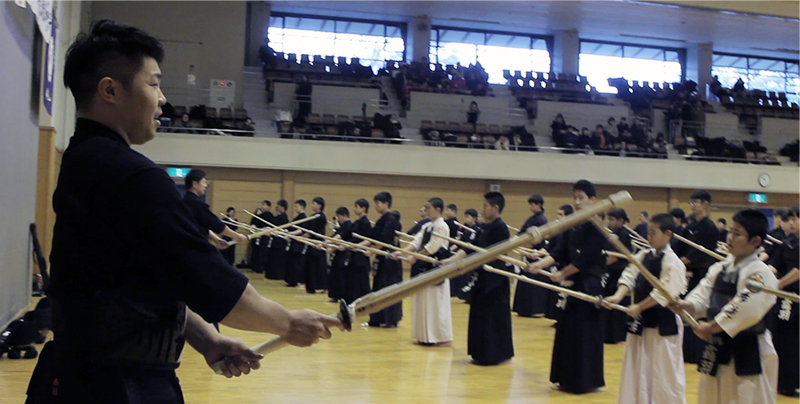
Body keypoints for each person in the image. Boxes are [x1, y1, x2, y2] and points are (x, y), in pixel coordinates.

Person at [25, 20, 342, 403]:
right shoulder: (131, 175)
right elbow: (207, 279)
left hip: (85, 374)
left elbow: (137, 281)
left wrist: (205, 338)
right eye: (154, 83)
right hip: (116, 386)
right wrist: (288, 322)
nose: (162, 100)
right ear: (110, 89)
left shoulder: (84, 161)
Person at [671, 209, 778, 404]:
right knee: (711, 395)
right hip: (718, 344)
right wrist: (687, 305)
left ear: (755, 242)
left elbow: (746, 308)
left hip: (747, 347)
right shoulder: (721, 267)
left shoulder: (760, 273)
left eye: (737, 234)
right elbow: (704, 293)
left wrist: (712, 327)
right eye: (730, 231)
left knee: (743, 397)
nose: (729, 237)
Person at [529, 180, 606, 393]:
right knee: (567, 331)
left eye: (581, 198)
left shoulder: (598, 228)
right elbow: (559, 252)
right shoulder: (572, 224)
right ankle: (565, 378)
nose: (577, 202)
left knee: (583, 333)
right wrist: (540, 265)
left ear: (593, 200)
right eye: (575, 198)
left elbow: (586, 259)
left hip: (588, 285)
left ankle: (584, 381)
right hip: (570, 286)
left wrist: (563, 274)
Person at [603, 213, 688, 404]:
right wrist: (617, 296)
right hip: (640, 322)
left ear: (668, 234)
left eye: (653, 233)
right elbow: (629, 275)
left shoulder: (674, 262)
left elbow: (664, 293)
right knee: (637, 369)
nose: (648, 237)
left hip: (662, 326)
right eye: (648, 232)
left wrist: (639, 307)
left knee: (663, 373)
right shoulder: (642, 255)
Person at [443, 192, 513, 366]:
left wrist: (466, 264)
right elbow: (469, 247)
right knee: (479, 316)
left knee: (492, 318)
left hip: (494, 281)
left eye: (486, 206)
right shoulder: (482, 226)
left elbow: (490, 253)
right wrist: (451, 261)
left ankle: (494, 354)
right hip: (481, 278)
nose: (483, 209)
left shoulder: (500, 227)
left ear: (495, 208)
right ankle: (479, 352)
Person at [391, 197, 453, 346]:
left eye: (429, 208)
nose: (426, 210)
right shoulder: (427, 226)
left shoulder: (442, 227)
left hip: (436, 268)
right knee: (423, 301)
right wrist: (401, 252)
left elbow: (433, 246)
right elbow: (416, 242)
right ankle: (425, 337)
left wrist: (415, 257)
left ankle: (440, 337)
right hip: (424, 268)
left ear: (438, 209)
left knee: (435, 304)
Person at [680, 190, 722, 364]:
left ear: (705, 204)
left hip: (703, 274)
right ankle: (687, 352)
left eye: (696, 202)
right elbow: (681, 245)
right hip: (688, 273)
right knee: (687, 310)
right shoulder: (690, 227)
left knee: (699, 310)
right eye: (691, 202)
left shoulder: (710, 228)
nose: (693, 205)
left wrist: (686, 261)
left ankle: (698, 353)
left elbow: (701, 253)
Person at [767, 206, 799, 397]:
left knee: (794, 343)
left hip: (795, 297)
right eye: (792, 219)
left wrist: (778, 284)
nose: (793, 223)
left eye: (796, 219)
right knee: (783, 341)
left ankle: (792, 382)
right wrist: (764, 278)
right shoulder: (787, 243)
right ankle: (783, 383)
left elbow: (798, 271)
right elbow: (773, 265)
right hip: (784, 300)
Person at [182, 169, 248, 249]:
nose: (205, 185)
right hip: (194, 246)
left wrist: (216, 239)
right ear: (195, 184)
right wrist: (237, 236)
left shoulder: (184, 201)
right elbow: (216, 224)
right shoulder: (197, 204)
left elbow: (202, 225)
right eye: (203, 182)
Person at [365, 192, 403, 328]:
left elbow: (384, 240)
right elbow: (374, 238)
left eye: (378, 203)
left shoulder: (391, 220)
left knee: (388, 287)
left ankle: (390, 319)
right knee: (378, 287)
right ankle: (376, 318)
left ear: (386, 203)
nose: (376, 206)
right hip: (381, 258)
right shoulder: (381, 220)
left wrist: (372, 251)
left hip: (390, 260)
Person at [512, 194, 549, 318]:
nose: (530, 207)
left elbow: (537, 239)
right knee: (525, 281)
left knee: (533, 284)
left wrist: (526, 247)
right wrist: (512, 242)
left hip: (536, 255)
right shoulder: (532, 219)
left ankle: (533, 309)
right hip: (527, 254)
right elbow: (522, 232)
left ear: (538, 205)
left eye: (532, 204)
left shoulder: (542, 220)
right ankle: (524, 309)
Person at [601, 208, 634, 344]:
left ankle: (617, 335)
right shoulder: (611, 233)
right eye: (608, 219)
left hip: (618, 274)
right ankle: (607, 334)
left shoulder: (623, 234)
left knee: (617, 305)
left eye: (612, 219)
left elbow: (615, 256)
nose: (609, 222)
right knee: (608, 303)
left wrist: (601, 264)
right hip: (609, 272)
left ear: (621, 221)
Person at [344, 199, 372, 305]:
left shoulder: (365, 223)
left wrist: (357, 246)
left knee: (360, 282)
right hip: (353, 256)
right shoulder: (356, 223)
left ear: (363, 208)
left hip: (360, 258)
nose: (354, 209)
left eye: (357, 207)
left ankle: (362, 303)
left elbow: (368, 240)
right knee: (352, 281)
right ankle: (352, 302)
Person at [450, 208, 481, 302]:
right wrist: (451, 249)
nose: (466, 219)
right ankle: (460, 293)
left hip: (472, 256)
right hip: (464, 254)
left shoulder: (477, 229)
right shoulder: (465, 228)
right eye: (465, 217)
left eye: (468, 217)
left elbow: (472, 244)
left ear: (474, 218)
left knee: (470, 277)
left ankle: (469, 296)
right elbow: (460, 241)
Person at [327, 207, 352, 303]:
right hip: (338, 253)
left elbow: (339, 237)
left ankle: (341, 296)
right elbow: (335, 236)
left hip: (344, 254)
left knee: (341, 276)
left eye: (339, 217)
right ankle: (335, 296)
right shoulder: (342, 226)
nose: (338, 219)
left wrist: (327, 243)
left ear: (345, 215)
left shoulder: (349, 225)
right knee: (334, 274)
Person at [303, 197, 328, 294]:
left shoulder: (321, 217)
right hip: (311, 244)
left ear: (320, 205)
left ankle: (323, 287)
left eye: (314, 204)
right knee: (310, 267)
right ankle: (310, 288)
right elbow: (308, 229)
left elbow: (315, 231)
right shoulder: (313, 216)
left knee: (319, 267)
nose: (312, 205)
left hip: (318, 244)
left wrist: (306, 235)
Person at [284, 200, 308, 288]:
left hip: (299, 243)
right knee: (291, 261)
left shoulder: (304, 218)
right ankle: (291, 280)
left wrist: (290, 234)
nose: (295, 208)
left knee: (297, 262)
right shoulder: (297, 218)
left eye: (296, 206)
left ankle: (297, 280)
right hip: (293, 243)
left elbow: (301, 230)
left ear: (302, 207)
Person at [267, 200, 289, 281]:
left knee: (278, 259)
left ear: (282, 207)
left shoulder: (283, 217)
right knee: (274, 258)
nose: (277, 207)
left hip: (280, 242)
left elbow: (277, 225)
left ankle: (277, 275)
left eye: (279, 206)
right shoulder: (280, 216)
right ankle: (273, 274)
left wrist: (271, 231)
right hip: (276, 241)